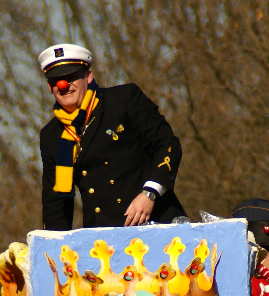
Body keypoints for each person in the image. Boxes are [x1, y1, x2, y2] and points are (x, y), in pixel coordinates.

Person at [38, 43, 187, 229]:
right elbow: (57, 202)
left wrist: (150, 193)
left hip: (158, 223)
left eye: (71, 77)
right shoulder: (52, 136)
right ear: (49, 86)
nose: (64, 85)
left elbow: (167, 145)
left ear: (88, 76)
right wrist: (53, 248)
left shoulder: (123, 101)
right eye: (56, 80)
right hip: (104, 241)